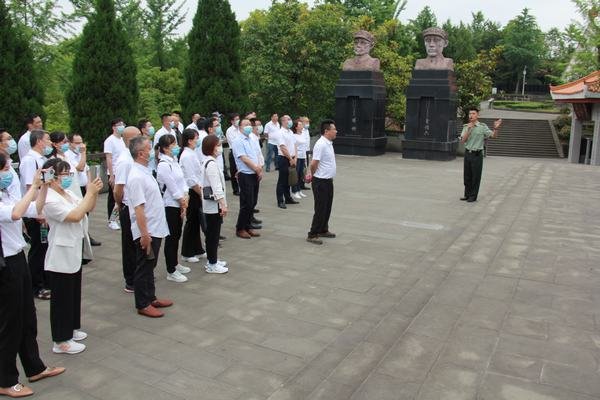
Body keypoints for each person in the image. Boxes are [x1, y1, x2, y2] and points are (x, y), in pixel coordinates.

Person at [0, 155, 65, 398]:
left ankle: (35, 367)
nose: (9, 172)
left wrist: (43, 187)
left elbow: (34, 209)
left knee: (28, 316)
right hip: (5, 264)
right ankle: (6, 379)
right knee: (10, 322)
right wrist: (35, 186)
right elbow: (17, 213)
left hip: (17, 257)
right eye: (5, 168)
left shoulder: (5, 194)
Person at [39, 158, 102, 354]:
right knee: (62, 298)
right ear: (52, 177)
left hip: (74, 249)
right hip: (60, 254)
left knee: (73, 294)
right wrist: (89, 193)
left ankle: (71, 329)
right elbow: (74, 216)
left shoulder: (67, 193)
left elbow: (87, 208)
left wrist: (93, 193)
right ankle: (60, 341)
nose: (67, 178)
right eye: (64, 174)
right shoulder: (49, 199)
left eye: (69, 174)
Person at [125, 136, 173, 318]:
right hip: (148, 230)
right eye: (149, 148)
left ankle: (151, 297)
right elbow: (138, 208)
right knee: (144, 267)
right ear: (141, 153)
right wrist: (144, 234)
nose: (153, 150)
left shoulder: (144, 171)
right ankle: (142, 304)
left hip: (156, 226)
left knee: (150, 265)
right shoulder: (136, 176)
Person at [19, 130, 53, 300]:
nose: (50, 142)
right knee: (38, 249)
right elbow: (30, 189)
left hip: (43, 209)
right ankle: (36, 286)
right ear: (39, 141)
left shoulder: (42, 159)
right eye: (47, 139)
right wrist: (39, 213)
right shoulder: (29, 160)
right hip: (35, 213)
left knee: (45, 246)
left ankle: (45, 282)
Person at [155, 134, 190, 283]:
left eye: (176, 144)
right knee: (171, 237)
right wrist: (182, 201)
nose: (176, 147)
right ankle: (171, 270)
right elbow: (171, 187)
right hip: (170, 204)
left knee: (177, 235)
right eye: (173, 145)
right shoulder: (164, 164)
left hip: (180, 202)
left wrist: (185, 196)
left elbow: (182, 181)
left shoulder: (174, 161)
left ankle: (175, 263)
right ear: (165, 148)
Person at [113, 126, 141, 294]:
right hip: (128, 206)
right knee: (130, 244)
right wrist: (120, 204)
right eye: (139, 137)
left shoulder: (133, 157)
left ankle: (139, 274)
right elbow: (118, 189)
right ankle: (130, 280)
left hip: (137, 205)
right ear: (130, 141)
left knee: (137, 243)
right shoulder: (125, 161)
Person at [65, 133, 101, 247]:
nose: (80, 145)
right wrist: (83, 153)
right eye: (77, 143)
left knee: (87, 213)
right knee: (80, 211)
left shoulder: (79, 154)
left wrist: (88, 184)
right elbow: (80, 167)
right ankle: (83, 236)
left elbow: (87, 169)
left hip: (84, 187)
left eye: (81, 142)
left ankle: (86, 235)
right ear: (70, 143)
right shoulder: (68, 155)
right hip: (76, 188)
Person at [306, 120, 338, 245]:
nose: (336, 131)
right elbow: (314, 163)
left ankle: (323, 229)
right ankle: (312, 234)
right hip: (320, 181)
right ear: (326, 131)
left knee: (327, 207)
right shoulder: (321, 144)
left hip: (328, 180)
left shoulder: (328, 143)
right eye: (334, 129)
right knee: (320, 208)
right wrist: (313, 175)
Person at [460, 109, 502, 202]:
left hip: (477, 154)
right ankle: (467, 194)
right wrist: (469, 129)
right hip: (467, 153)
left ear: (477, 115)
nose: (471, 115)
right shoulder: (466, 126)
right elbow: (463, 140)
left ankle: (473, 196)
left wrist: (496, 128)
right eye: (470, 113)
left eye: (473, 113)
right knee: (467, 176)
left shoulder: (482, 127)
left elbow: (494, 136)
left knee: (475, 176)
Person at [200, 135, 228, 274]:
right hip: (213, 205)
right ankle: (212, 263)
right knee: (213, 235)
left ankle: (213, 260)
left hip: (213, 205)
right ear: (211, 147)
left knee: (213, 234)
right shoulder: (210, 164)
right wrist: (223, 204)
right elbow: (216, 187)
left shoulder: (210, 161)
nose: (220, 148)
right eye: (218, 145)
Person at [179, 129, 207, 264]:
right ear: (189, 140)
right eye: (196, 138)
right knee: (191, 222)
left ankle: (197, 249)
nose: (198, 140)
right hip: (192, 191)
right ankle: (187, 252)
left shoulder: (192, 153)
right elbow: (191, 179)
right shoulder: (186, 156)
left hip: (196, 189)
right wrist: (200, 193)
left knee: (196, 221)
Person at [232, 119, 262, 239]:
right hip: (245, 174)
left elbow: (256, 155)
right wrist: (256, 168)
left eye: (250, 124)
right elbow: (244, 158)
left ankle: (248, 226)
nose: (249, 126)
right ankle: (240, 228)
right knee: (247, 202)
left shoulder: (252, 139)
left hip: (254, 173)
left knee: (253, 202)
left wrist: (259, 169)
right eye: (246, 125)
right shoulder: (238, 141)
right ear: (240, 127)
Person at [103, 118, 127, 230]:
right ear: (113, 127)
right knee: (113, 197)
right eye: (119, 124)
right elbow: (109, 158)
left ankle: (119, 217)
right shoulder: (109, 140)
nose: (122, 126)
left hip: (123, 171)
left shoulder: (122, 139)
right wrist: (111, 175)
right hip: (114, 172)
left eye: (123, 124)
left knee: (123, 196)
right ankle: (112, 219)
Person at [275, 115, 299, 209]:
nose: (290, 121)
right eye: (288, 119)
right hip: (284, 159)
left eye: (290, 119)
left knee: (288, 180)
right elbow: (283, 147)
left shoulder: (290, 132)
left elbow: (295, 144)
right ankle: (280, 201)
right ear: (283, 121)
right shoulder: (280, 133)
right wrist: (290, 159)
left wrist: (295, 157)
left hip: (292, 158)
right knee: (282, 180)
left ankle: (288, 198)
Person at [250, 118, 264, 218]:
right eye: (257, 125)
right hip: (253, 169)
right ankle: (250, 217)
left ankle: (252, 212)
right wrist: (257, 169)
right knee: (251, 195)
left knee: (255, 193)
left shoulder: (255, 137)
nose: (259, 127)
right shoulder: (250, 138)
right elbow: (252, 156)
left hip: (258, 168)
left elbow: (259, 154)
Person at [291, 119, 309, 199]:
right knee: (296, 175)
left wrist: (305, 157)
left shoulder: (303, 134)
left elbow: (304, 146)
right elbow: (293, 147)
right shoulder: (293, 135)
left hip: (302, 157)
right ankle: (294, 191)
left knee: (301, 174)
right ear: (296, 127)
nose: (302, 126)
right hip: (297, 157)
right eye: (300, 125)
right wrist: (295, 157)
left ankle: (299, 190)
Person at [225, 113, 241, 196]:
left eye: (238, 119)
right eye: (236, 119)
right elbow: (233, 142)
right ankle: (235, 189)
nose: (238, 121)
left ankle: (242, 187)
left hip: (242, 151)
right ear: (232, 121)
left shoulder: (241, 128)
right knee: (234, 171)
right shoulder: (229, 131)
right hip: (234, 152)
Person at [300, 116, 312, 191]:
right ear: (302, 122)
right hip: (302, 153)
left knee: (305, 169)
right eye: (306, 122)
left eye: (308, 122)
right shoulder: (301, 130)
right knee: (301, 169)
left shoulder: (307, 130)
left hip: (307, 152)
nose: (308, 123)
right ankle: (299, 184)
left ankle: (302, 184)